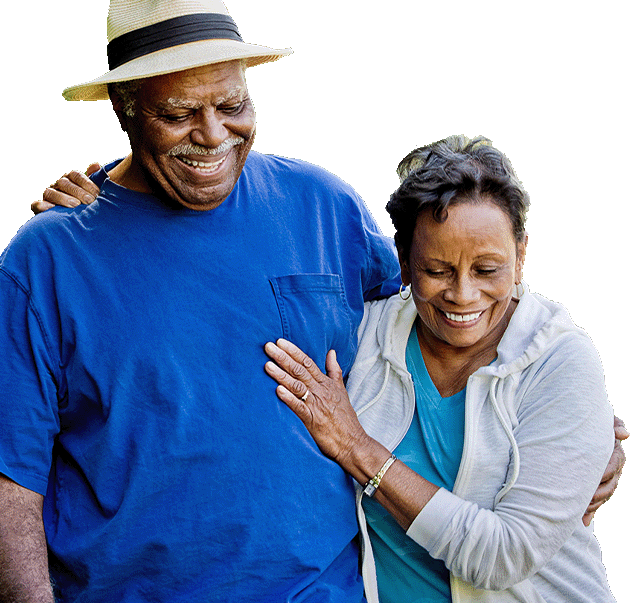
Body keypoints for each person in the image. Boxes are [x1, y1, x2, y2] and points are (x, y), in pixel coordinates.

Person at [0, 0, 402, 602]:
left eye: (232, 105)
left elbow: (445, 331)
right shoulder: (49, 258)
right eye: (179, 114)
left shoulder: (325, 206)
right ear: (124, 109)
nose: (213, 135)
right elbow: (6, 478)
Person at [263, 135, 619, 602]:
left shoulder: (559, 360)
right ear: (404, 262)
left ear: (521, 257)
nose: (463, 295)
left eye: (487, 270)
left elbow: (505, 555)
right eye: (437, 270)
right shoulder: (366, 334)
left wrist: (358, 450)